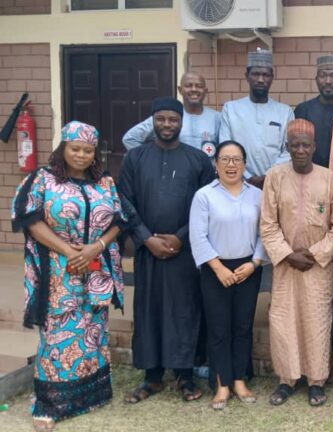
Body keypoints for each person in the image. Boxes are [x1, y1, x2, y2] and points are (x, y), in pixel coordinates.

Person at [11, 121, 126, 432]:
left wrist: (95, 248)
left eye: (88, 150)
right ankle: (48, 405)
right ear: (63, 148)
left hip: (95, 269)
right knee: (57, 333)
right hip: (58, 272)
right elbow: (29, 218)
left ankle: (89, 397)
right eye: (75, 148)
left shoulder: (104, 182)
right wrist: (69, 251)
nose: (81, 155)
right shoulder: (43, 179)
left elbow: (119, 220)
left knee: (93, 330)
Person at [119, 97, 216, 404]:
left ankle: (185, 375)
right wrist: (146, 239)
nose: (167, 124)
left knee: (184, 310)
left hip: (184, 253)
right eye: (161, 119)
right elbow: (125, 202)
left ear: (181, 122)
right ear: (153, 121)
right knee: (150, 310)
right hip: (148, 252)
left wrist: (181, 238)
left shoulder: (198, 160)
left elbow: (207, 205)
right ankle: (152, 376)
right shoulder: (135, 158)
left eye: (173, 119)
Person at [260, 119, 333, 407]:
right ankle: (287, 380)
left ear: (314, 147)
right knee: (283, 321)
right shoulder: (274, 177)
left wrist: (316, 253)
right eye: (295, 145)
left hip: (318, 267)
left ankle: (316, 381)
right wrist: (287, 254)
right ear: (287, 146)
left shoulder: (330, 179)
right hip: (285, 265)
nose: (300, 150)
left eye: (305, 145)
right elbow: (268, 224)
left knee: (316, 321)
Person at [189, 141, 268, 410]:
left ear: (245, 164)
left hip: (248, 269)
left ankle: (239, 380)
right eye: (225, 159)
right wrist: (218, 268)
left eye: (237, 160)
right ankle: (221, 384)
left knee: (242, 327)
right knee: (219, 328)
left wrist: (255, 263)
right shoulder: (204, 196)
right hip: (215, 269)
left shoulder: (256, 195)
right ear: (216, 164)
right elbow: (198, 236)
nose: (231, 165)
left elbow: (264, 233)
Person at [219, 49, 294, 188]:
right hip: (238, 183)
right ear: (247, 76)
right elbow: (226, 147)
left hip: (275, 184)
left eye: (265, 75)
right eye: (255, 74)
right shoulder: (231, 109)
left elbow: (288, 151)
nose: (260, 80)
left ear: (272, 77)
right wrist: (246, 176)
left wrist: (267, 176)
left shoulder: (285, 112)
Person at [122, 71, 221, 158]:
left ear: (205, 91)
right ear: (180, 90)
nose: (194, 89)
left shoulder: (217, 118)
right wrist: (151, 159)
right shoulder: (169, 117)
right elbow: (130, 138)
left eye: (199, 86)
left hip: (207, 172)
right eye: (188, 86)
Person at [294, 54, 333, 168]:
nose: (328, 81)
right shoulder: (303, 110)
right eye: (322, 76)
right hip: (310, 174)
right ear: (316, 80)